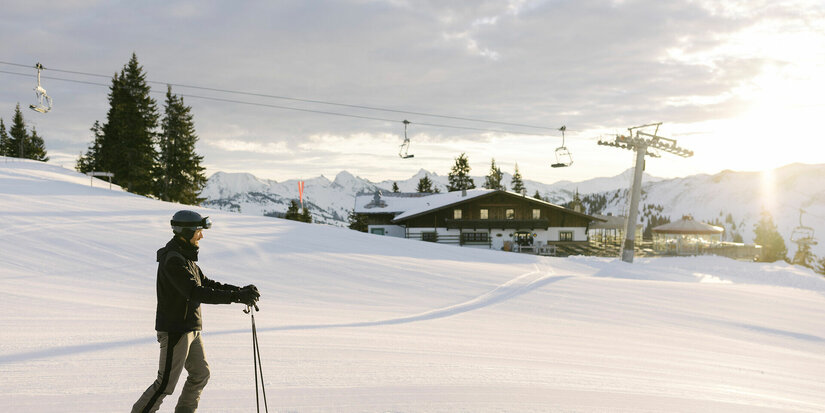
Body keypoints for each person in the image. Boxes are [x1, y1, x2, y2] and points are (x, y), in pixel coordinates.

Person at [132, 210, 261, 413]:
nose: (201, 235)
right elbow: (194, 292)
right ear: (186, 231)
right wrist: (236, 297)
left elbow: (207, 283)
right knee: (165, 384)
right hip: (176, 330)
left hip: (190, 328)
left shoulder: (186, 258)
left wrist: (239, 291)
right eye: (198, 231)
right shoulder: (173, 260)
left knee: (200, 373)